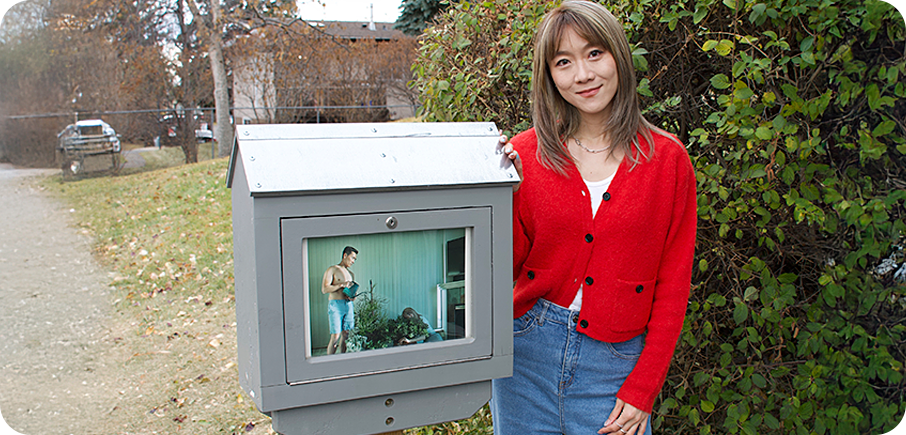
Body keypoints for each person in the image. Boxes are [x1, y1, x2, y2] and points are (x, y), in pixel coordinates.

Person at [492, 2, 697, 435]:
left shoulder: (668, 162)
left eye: (594, 54)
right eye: (563, 62)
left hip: (615, 365)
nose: (582, 74)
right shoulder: (526, 154)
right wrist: (502, 194)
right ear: (549, 76)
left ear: (618, 56)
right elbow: (504, 267)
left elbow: (674, 284)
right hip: (525, 357)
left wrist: (643, 387)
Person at [321, 246, 358, 354]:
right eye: (352, 258)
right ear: (345, 255)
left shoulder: (351, 274)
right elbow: (324, 289)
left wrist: (352, 297)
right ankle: (330, 363)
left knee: (346, 334)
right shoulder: (332, 269)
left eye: (355, 259)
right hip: (336, 305)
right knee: (335, 336)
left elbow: (351, 292)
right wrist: (341, 285)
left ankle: (342, 360)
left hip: (348, 305)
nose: (353, 261)